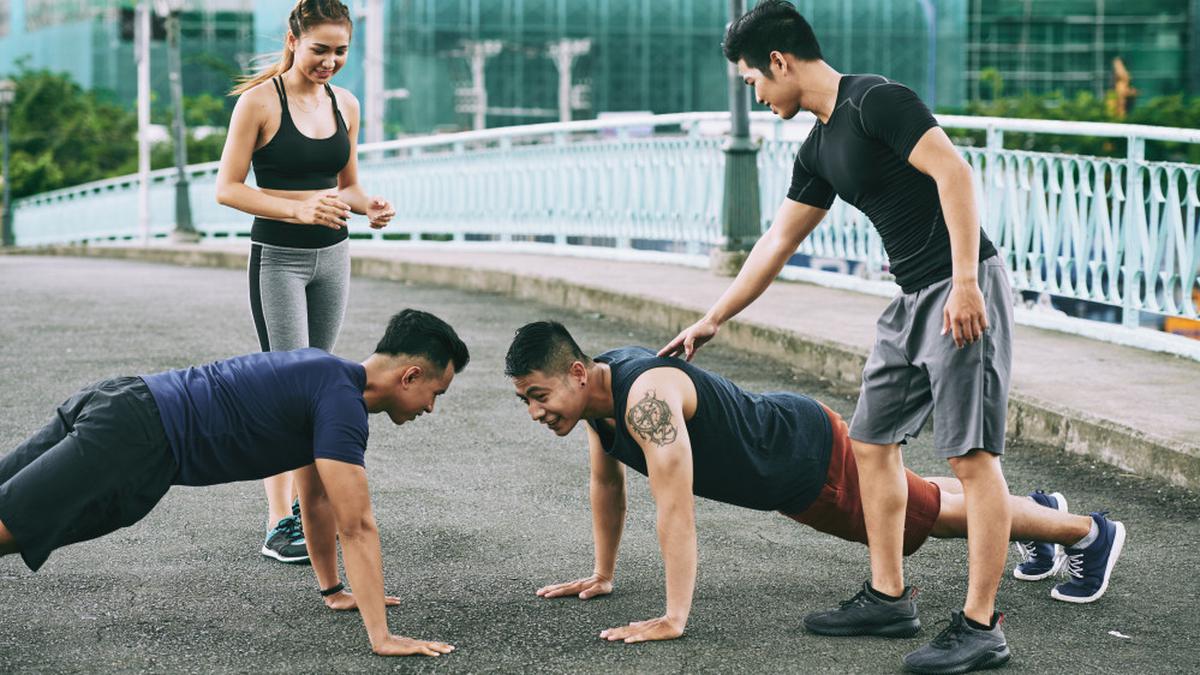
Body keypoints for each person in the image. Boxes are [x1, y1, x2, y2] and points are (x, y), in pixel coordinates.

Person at [661, 3, 1031, 672]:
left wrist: (968, 280)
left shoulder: (876, 101)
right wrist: (714, 316)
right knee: (870, 440)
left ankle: (982, 625)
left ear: (779, 62)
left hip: (959, 291)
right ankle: (890, 597)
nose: (757, 94)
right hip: (909, 301)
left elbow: (955, 173)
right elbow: (778, 241)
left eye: (752, 82)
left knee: (971, 457)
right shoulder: (818, 146)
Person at [507, 321, 1124, 652]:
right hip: (794, 435)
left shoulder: (646, 400)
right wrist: (604, 572)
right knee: (915, 494)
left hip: (803, 464)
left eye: (540, 396)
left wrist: (673, 617)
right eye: (525, 401)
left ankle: (1087, 534)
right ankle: (1037, 514)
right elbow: (607, 485)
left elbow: (674, 509)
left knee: (924, 515)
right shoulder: (602, 398)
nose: (536, 413)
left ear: (578, 372)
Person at [0, 310, 466, 658]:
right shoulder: (342, 404)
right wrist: (381, 635)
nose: (430, 409)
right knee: (15, 525)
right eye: (435, 394)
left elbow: (317, 499)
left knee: (12, 508)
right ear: (410, 375)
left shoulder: (324, 374)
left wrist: (333, 590)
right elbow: (357, 526)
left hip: (121, 397)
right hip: (136, 435)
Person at [216, 0, 397, 565]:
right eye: (320, 49)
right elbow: (228, 188)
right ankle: (281, 521)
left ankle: (304, 511)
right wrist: (297, 211)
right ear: (293, 39)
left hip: (333, 259)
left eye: (341, 51)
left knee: (317, 385)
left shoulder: (347, 104)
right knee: (287, 389)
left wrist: (370, 205)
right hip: (278, 258)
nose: (330, 61)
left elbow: (345, 186)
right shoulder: (258, 103)